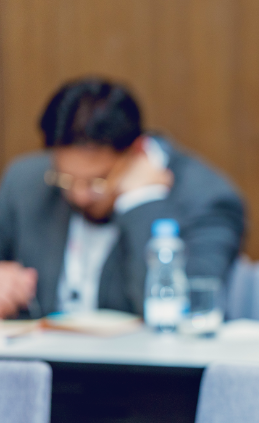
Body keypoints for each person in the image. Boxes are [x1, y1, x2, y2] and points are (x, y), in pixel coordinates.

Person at [0, 78, 245, 318]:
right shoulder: (26, 182)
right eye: (66, 180)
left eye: (97, 181)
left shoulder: (207, 200)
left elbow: (189, 312)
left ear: (137, 151)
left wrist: (142, 201)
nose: (80, 196)